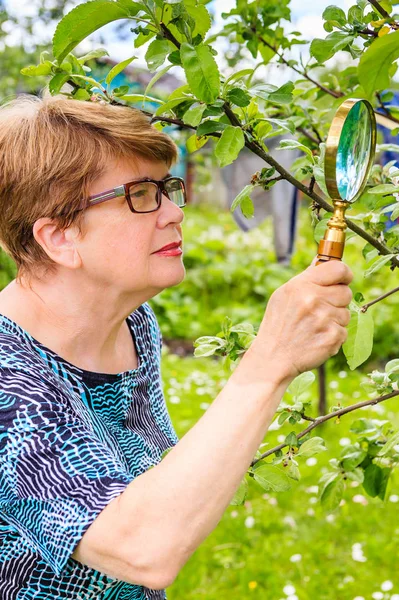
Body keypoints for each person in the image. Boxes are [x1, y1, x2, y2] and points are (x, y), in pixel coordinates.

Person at [0, 95, 353, 600]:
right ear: (59, 237)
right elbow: (142, 547)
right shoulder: (8, 382)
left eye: (168, 188)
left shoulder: (131, 324)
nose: (173, 213)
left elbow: (157, 486)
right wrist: (268, 362)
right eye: (140, 194)